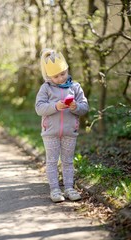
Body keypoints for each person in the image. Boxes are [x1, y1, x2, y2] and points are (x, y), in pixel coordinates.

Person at [35, 48, 89, 203]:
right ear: (48, 75)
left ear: (67, 69)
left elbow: (85, 107)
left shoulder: (75, 87)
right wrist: (55, 106)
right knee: (52, 160)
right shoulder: (46, 88)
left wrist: (76, 107)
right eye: (56, 76)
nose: (60, 78)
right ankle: (55, 189)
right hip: (50, 132)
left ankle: (69, 188)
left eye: (63, 74)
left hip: (70, 131)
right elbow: (39, 108)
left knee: (68, 161)